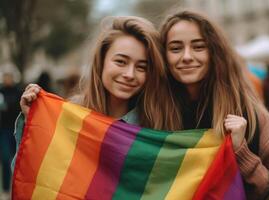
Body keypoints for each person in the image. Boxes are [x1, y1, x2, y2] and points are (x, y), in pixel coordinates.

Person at [159, 10, 269, 199]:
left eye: (199, 47)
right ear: (162, 56)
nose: (187, 56)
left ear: (214, 52)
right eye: (175, 48)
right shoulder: (153, 116)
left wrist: (242, 154)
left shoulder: (252, 116)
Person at [12, 16, 181, 170]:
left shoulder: (158, 126)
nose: (130, 74)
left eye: (141, 67)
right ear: (101, 62)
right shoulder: (69, 116)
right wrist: (34, 125)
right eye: (121, 61)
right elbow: (31, 179)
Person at [0, 72, 21, 199]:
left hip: (17, 130)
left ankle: (17, 189)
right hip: (4, 131)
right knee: (6, 159)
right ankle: (6, 190)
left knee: (18, 160)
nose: (7, 79)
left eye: (9, 76)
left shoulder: (18, 92)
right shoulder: (1, 91)